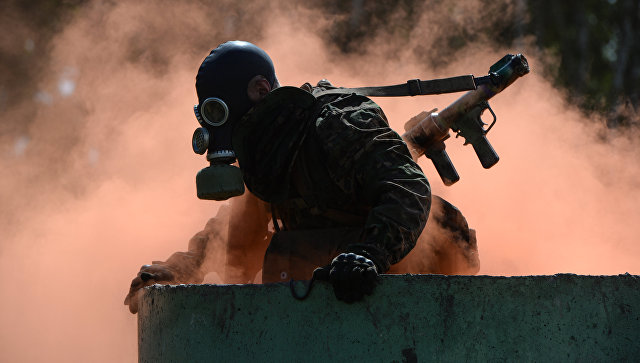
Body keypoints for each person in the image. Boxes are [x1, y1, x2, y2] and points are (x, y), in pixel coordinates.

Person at [125, 41, 478, 314]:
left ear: (261, 90)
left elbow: (408, 188)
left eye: (221, 111)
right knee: (285, 253)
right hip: (336, 300)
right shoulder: (269, 155)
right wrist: (178, 269)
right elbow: (234, 234)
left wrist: (369, 254)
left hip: (415, 280)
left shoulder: (334, 126)